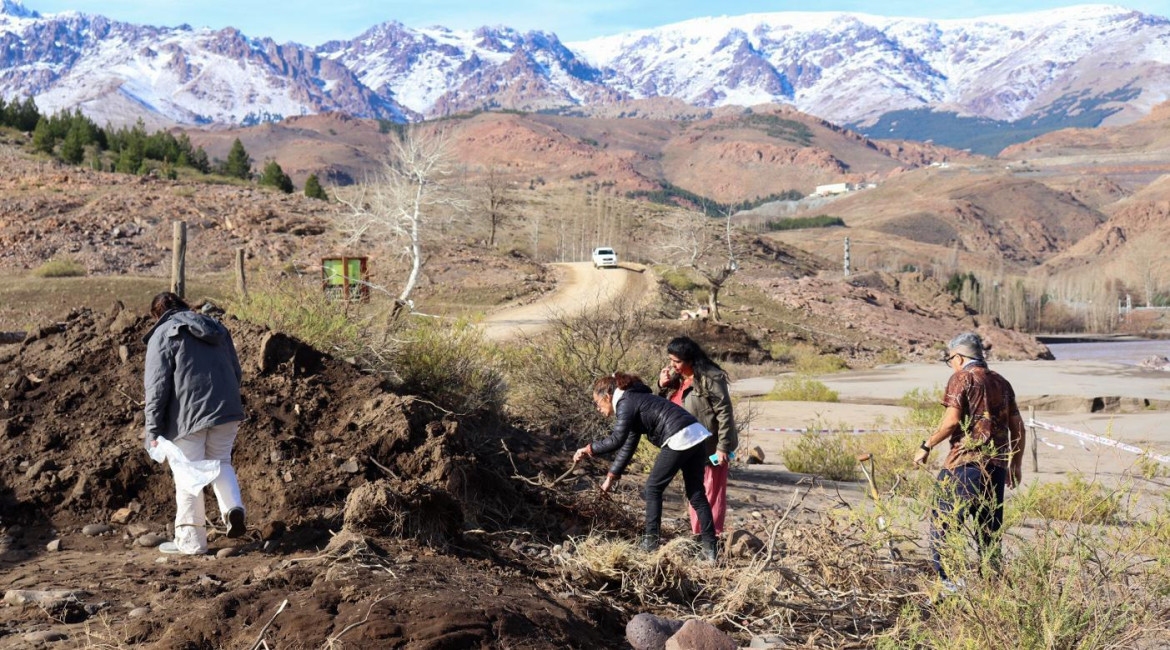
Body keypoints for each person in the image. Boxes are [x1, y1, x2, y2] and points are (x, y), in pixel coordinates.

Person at [914, 332, 1025, 590]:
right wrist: (1015, 464)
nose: (950, 364)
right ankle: (991, 588)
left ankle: (948, 587)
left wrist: (926, 445)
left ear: (960, 357)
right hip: (995, 468)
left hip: (965, 464)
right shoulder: (1002, 383)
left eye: (950, 359)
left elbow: (952, 422)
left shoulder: (961, 378)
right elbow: (1018, 427)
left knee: (944, 525)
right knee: (989, 534)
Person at [573, 372, 719, 561]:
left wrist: (588, 449)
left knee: (652, 488)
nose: (597, 408)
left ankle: (650, 542)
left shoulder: (625, 402)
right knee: (696, 494)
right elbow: (627, 445)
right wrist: (609, 479)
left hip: (679, 436)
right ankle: (710, 550)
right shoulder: (635, 399)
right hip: (696, 435)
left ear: (607, 396)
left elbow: (616, 440)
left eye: (597, 403)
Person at [143, 292, 247, 554]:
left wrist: (153, 430)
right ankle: (233, 508)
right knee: (221, 461)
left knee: (188, 474)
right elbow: (237, 372)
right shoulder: (217, 328)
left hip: (187, 417)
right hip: (227, 410)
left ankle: (191, 543)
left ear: (157, 315)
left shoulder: (164, 333)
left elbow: (156, 387)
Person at [656, 337, 737, 538]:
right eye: (671, 360)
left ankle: (711, 537)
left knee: (711, 492)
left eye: (677, 361)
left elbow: (724, 412)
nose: (672, 366)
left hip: (710, 447)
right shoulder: (678, 380)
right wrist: (661, 384)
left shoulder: (710, 377)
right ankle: (698, 534)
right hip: (687, 447)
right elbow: (659, 405)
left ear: (690, 359)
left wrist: (723, 447)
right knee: (696, 493)